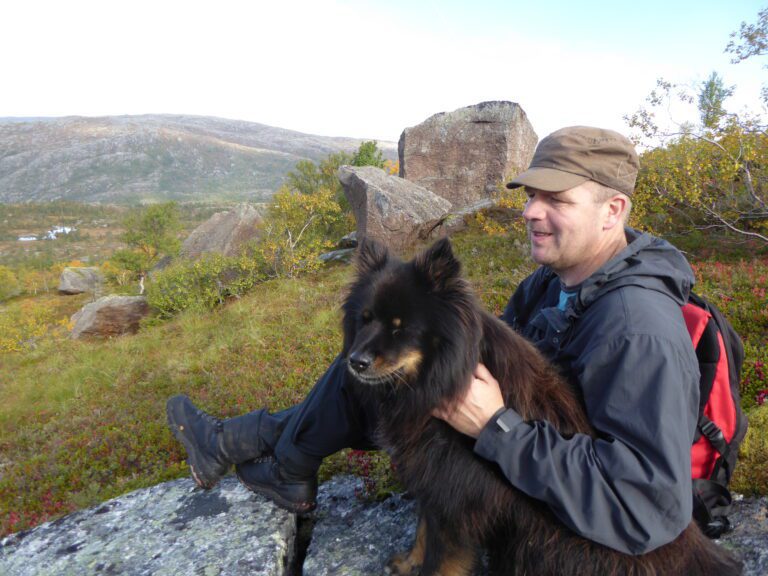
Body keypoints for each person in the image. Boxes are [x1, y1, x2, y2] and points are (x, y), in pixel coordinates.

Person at [167, 126, 699, 555]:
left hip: (560, 523)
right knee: (376, 355)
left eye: (556, 199)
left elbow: (644, 504)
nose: (532, 211)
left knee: (380, 355)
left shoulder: (637, 329)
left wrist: (497, 427)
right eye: (532, 195)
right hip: (523, 466)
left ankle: (262, 453)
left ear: (614, 211)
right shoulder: (554, 282)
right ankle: (263, 450)